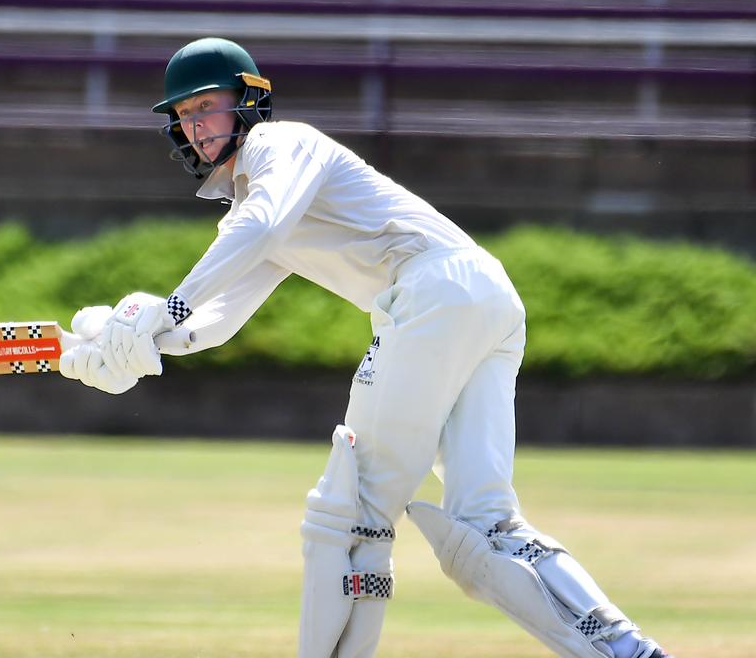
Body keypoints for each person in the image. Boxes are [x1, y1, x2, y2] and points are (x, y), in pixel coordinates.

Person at [57, 37, 673, 658]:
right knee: (484, 529)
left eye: (207, 107)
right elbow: (217, 321)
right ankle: (627, 650)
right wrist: (127, 346)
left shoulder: (280, 147)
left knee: (350, 510)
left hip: (434, 293)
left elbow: (256, 231)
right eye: (185, 116)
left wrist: (170, 306)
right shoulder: (257, 208)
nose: (197, 127)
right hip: (482, 298)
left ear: (247, 102)